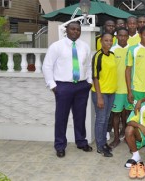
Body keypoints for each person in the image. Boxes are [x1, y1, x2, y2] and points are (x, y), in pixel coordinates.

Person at [42, 21, 93, 158]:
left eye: (78, 29)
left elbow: (88, 65)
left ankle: (81, 142)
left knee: (80, 116)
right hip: (63, 86)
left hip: (82, 86)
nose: (75, 32)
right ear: (67, 30)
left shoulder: (85, 47)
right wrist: (53, 86)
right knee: (61, 117)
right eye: (73, 29)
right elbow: (47, 66)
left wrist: (89, 82)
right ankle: (60, 145)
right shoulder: (56, 46)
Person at [91, 33, 116, 157]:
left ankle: (103, 142)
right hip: (100, 93)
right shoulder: (97, 56)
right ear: (101, 41)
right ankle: (100, 147)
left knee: (106, 118)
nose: (109, 43)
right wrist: (99, 97)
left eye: (110, 41)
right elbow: (95, 77)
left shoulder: (112, 55)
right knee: (100, 120)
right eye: (106, 40)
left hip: (111, 93)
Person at [109, 28, 132, 149]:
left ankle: (128, 137)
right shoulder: (112, 50)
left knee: (129, 115)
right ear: (117, 37)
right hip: (117, 89)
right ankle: (116, 138)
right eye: (120, 36)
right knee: (116, 115)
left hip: (130, 89)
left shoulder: (132, 49)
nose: (123, 38)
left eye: (125, 36)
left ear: (128, 37)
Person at [125, 26, 145, 104]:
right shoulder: (133, 49)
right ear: (140, 35)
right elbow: (127, 71)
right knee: (135, 113)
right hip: (136, 89)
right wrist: (129, 91)